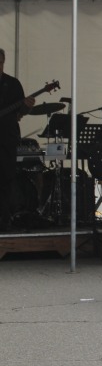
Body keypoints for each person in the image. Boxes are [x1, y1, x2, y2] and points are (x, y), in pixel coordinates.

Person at [0, 48, 35, 231]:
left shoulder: (12, 84)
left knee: (6, 178)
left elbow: (20, 113)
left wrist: (27, 107)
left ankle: (4, 221)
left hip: (6, 138)